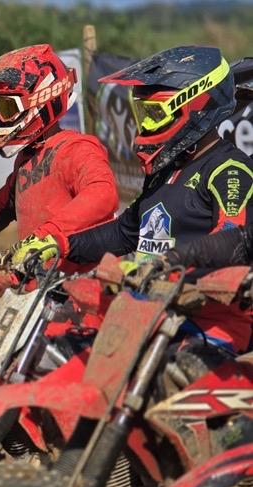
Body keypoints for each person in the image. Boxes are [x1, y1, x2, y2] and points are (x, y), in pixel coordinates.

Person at [33, 46, 252, 351]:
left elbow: (233, 238)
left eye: (154, 114)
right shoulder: (166, 169)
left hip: (209, 322)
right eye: (142, 114)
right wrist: (58, 244)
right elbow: (126, 231)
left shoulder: (229, 170)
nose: (143, 126)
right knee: (57, 348)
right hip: (149, 310)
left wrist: (168, 265)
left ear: (196, 107)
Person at [0, 44, 118, 266]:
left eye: (8, 107)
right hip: (33, 276)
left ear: (42, 99)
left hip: (76, 277)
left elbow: (104, 195)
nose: (0, 116)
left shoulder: (78, 148)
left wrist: (45, 237)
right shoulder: (28, 155)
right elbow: (2, 206)